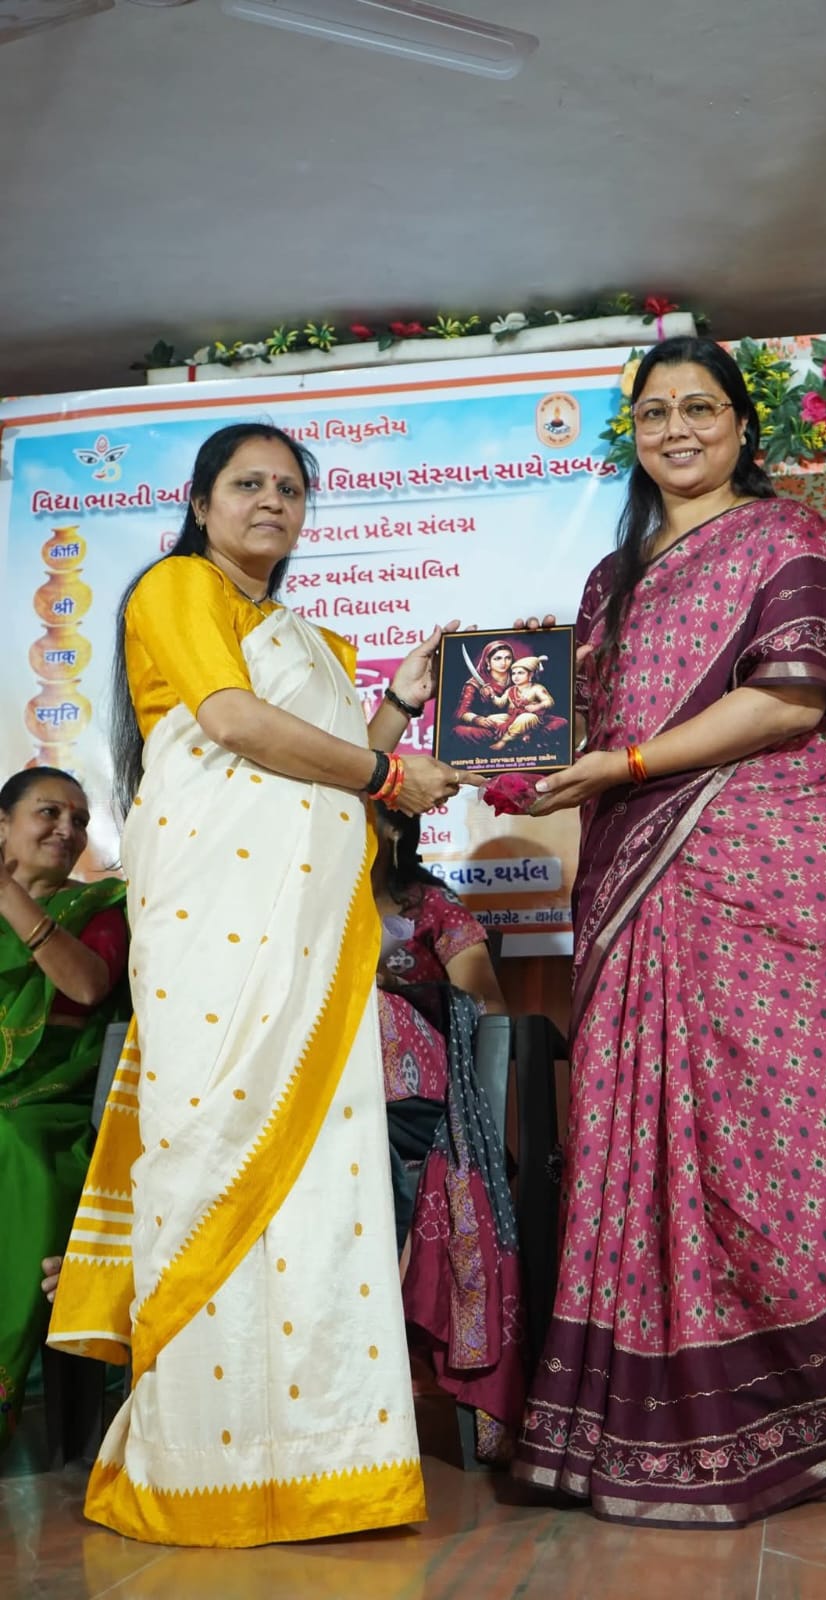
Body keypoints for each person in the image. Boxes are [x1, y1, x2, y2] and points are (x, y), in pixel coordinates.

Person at [46, 423, 470, 1547]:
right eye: (248, 483)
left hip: (309, 949)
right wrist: (387, 765)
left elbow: (328, 772)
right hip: (214, 936)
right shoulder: (178, 589)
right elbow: (233, 723)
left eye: (289, 487)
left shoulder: (310, 639)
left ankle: (328, 1466)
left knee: (321, 1184)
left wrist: (397, 705)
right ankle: (198, 1465)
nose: (271, 501)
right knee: (210, 1150)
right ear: (201, 502)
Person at [511, 336, 826, 1525]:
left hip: (767, 865)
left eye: (699, 408)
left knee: (771, 1135)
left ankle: (788, 1420)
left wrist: (622, 763)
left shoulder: (791, 540)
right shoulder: (606, 582)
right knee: (636, 1133)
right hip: (636, 879)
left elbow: (787, 699)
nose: (676, 430)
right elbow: (575, 725)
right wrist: (504, 726)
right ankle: (632, 1432)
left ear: (740, 424)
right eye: (654, 412)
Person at [373, 807, 525, 1461]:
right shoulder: (305, 897)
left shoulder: (429, 906)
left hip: (416, 1097)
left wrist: (393, 985)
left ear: (392, 828)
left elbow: (485, 1002)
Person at [0, 767, 127, 1451]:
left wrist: (8, 896)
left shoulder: (102, 905)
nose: (67, 829)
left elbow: (87, 983)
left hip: (57, 1107)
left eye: (78, 819)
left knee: (11, 1137)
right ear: (3, 826)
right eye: (48, 813)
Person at [487, 657, 565, 751]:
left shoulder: (536, 688)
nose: (516, 676)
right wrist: (492, 695)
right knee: (491, 719)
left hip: (532, 718)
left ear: (530, 674)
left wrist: (537, 706)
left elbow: (549, 702)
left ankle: (504, 741)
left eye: (520, 673)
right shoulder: (510, 690)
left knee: (524, 718)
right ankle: (521, 735)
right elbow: (500, 703)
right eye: (514, 673)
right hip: (513, 717)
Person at [452, 638, 518, 744]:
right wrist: (478, 719)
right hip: (488, 727)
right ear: (488, 661)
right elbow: (462, 712)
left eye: (508, 658)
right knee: (459, 731)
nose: (503, 663)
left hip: (515, 722)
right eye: (497, 658)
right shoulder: (474, 684)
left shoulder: (518, 678)